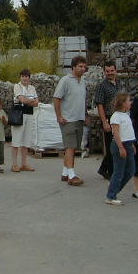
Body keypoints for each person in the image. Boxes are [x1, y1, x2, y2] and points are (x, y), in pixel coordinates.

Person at [53, 55, 87, 186]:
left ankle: (65, 172)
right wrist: (59, 116)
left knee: (73, 147)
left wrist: (85, 116)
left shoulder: (82, 81)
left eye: (84, 66)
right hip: (68, 120)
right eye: (80, 66)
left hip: (79, 119)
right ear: (73, 67)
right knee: (70, 146)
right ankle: (72, 176)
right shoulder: (65, 81)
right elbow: (56, 98)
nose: (82, 69)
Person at [105, 93, 136, 205]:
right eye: (128, 101)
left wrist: (132, 144)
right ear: (123, 103)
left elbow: (127, 131)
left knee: (131, 170)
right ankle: (111, 195)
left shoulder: (126, 115)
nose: (130, 103)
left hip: (128, 144)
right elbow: (116, 133)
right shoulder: (116, 116)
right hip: (120, 144)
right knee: (119, 171)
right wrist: (121, 147)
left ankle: (113, 188)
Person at [94, 61, 119, 180]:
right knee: (111, 146)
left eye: (112, 71)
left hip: (119, 118)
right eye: (107, 71)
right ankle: (110, 171)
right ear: (104, 72)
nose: (110, 73)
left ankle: (104, 169)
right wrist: (104, 122)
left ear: (116, 71)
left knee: (117, 144)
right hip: (109, 117)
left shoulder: (119, 84)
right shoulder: (102, 86)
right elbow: (99, 105)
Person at [12, 69, 39, 172]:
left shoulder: (32, 88)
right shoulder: (17, 86)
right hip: (19, 114)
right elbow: (22, 100)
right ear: (20, 77)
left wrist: (28, 101)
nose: (25, 78)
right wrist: (31, 100)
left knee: (26, 140)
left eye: (26, 76)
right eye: (23, 76)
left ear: (29, 77)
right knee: (16, 140)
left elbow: (37, 103)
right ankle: (14, 164)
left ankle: (24, 164)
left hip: (29, 114)